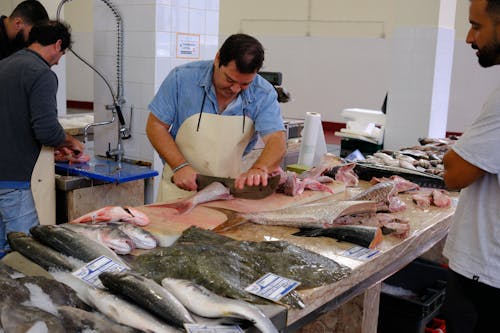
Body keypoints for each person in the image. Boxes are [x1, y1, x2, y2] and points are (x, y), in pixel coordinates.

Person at [147, 33, 286, 202]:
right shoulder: (181, 79)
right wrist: (180, 166)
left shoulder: (263, 93)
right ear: (218, 59)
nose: (235, 89)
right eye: (230, 80)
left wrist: (260, 168)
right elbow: (155, 126)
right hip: (180, 187)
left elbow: (276, 139)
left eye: (245, 84)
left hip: (227, 192)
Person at [0, 20, 85, 258]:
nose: (59, 61)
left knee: (3, 251)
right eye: (62, 54)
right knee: (26, 253)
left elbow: (14, 121)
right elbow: (46, 130)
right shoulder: (41, 74)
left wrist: (50, 148)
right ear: (58, 44)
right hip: (16, 181)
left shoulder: (4, 64)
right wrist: (70, 142)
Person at [441, 0, 500, 332]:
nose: (468, 38)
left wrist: (456, 155)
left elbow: (455, 173)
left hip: (487, 274)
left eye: (477, 26)